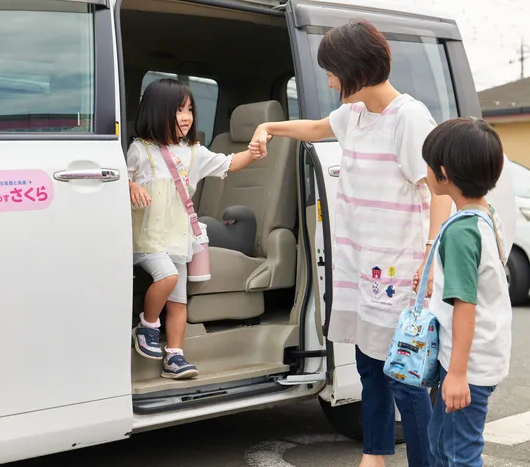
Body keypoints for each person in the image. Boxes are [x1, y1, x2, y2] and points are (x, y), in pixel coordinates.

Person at [248, 19, 452, 467]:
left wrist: (432, 259)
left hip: (400, 267)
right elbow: (318, 128)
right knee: (368, 366)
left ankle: (427, 462)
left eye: (331, 70)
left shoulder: (409, 117)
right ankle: (375, 455)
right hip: (360, 263)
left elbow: (439, 190)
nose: (328, 80)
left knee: (405, 376)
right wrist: (271, 129)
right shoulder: (354, 114)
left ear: (355, 68)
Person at [128, 78, 263, 379]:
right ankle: (148, 326)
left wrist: (252, 153)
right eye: (178, 110)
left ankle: (175, 357)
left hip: (179, 237)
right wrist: (132, 185)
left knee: (178, 301)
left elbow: (228, 164)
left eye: (190, 109)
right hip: (149, 237)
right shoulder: (140, 150)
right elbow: (119, 179)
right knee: (168, 276)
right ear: (156, 111)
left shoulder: (194, 152)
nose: (187, 116)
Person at [416, 118, 511, 467]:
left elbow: (465, 304)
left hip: (466, 365)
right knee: (440, 441)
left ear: (443, 173)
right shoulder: (484, 215)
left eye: (427, 164)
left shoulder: (461, 232)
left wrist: (456, 375)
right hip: (477, 356)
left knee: (459, 454)